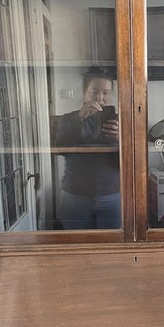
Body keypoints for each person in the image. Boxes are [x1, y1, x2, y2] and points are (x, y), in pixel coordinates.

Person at [55, 66, 121, 229]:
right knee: (77, 248)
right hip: (75, 194)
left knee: (111, 249)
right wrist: (78, 119)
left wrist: (121, 138)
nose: (100, 98)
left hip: (112, 193)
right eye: (94, 92)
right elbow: (60, 148)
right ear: (84, 92)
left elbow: (134, 158)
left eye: (105, 93)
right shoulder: (69, 118)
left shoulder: (121, 122)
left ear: (111, 94)